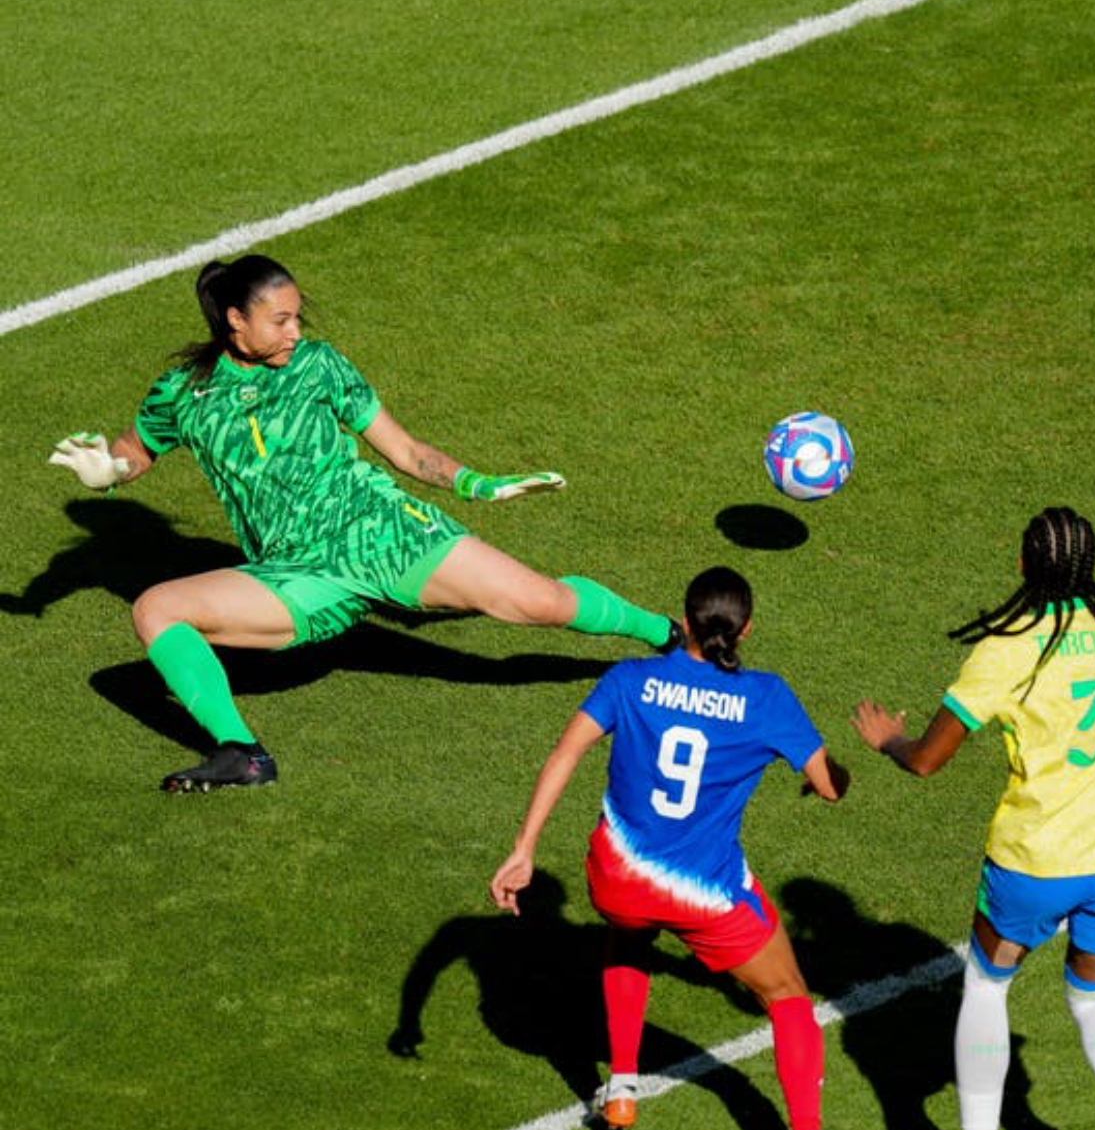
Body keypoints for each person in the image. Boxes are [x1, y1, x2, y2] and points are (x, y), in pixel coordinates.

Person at [47, 254, 680, 793]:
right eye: (281, 319)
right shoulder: (184, 392)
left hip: (383, 533)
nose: (296, 330)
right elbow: (138, 447)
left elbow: (406, 453)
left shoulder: (319, 366)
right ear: (235, 320)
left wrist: (480, 484)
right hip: (295, 573)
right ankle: (243, 754)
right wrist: (108, 469)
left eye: (298, 317)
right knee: (156, 608)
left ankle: (667, 634)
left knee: (539, 603)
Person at [490, 565, 851, 1130]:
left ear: (683, 622)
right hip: (703, 895)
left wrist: (523, 848)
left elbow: (564, 753)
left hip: (616, 879)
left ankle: (623, 1088)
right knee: (787, 996)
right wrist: (827, 773)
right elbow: (830, 786)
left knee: (627, 932)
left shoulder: (629, 679)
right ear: (746, 630)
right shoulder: (765, 698)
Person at [851, 507, 1095, 1130]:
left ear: (1023, 563)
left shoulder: (1009, 645)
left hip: (1037, 858)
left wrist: (889, 738)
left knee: (987, 985)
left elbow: (926, 761)